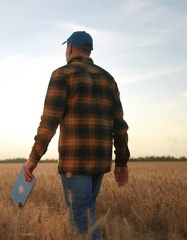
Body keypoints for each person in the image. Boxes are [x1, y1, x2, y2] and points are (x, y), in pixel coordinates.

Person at [23, 31, 130, 240]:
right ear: (89, 50)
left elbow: (49, 122)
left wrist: (32, 160)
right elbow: (120, 126)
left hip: (75, 161)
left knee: (82, 222)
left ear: (70, 48)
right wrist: (122, 162)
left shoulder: (61, 75)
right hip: (100, 162)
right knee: (87, 214)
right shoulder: (108, 79)